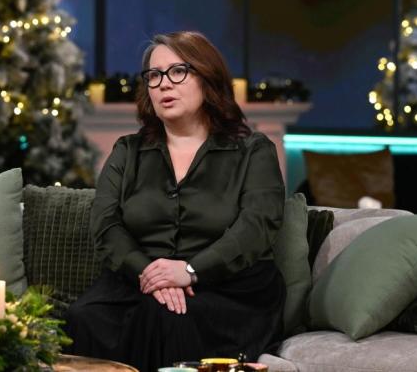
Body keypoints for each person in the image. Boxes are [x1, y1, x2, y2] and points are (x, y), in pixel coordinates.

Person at [65, 31, 286, 371]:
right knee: (84, 316)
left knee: (166, 316)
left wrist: (190, 271)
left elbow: (256, 227)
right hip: (141, 283)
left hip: (226, 289)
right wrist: (151, 274)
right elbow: (106, 224)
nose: (164, 84)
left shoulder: (253, 151)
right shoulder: (128, 151)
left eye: (178, 71)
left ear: (207, 79)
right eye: (154, 76)